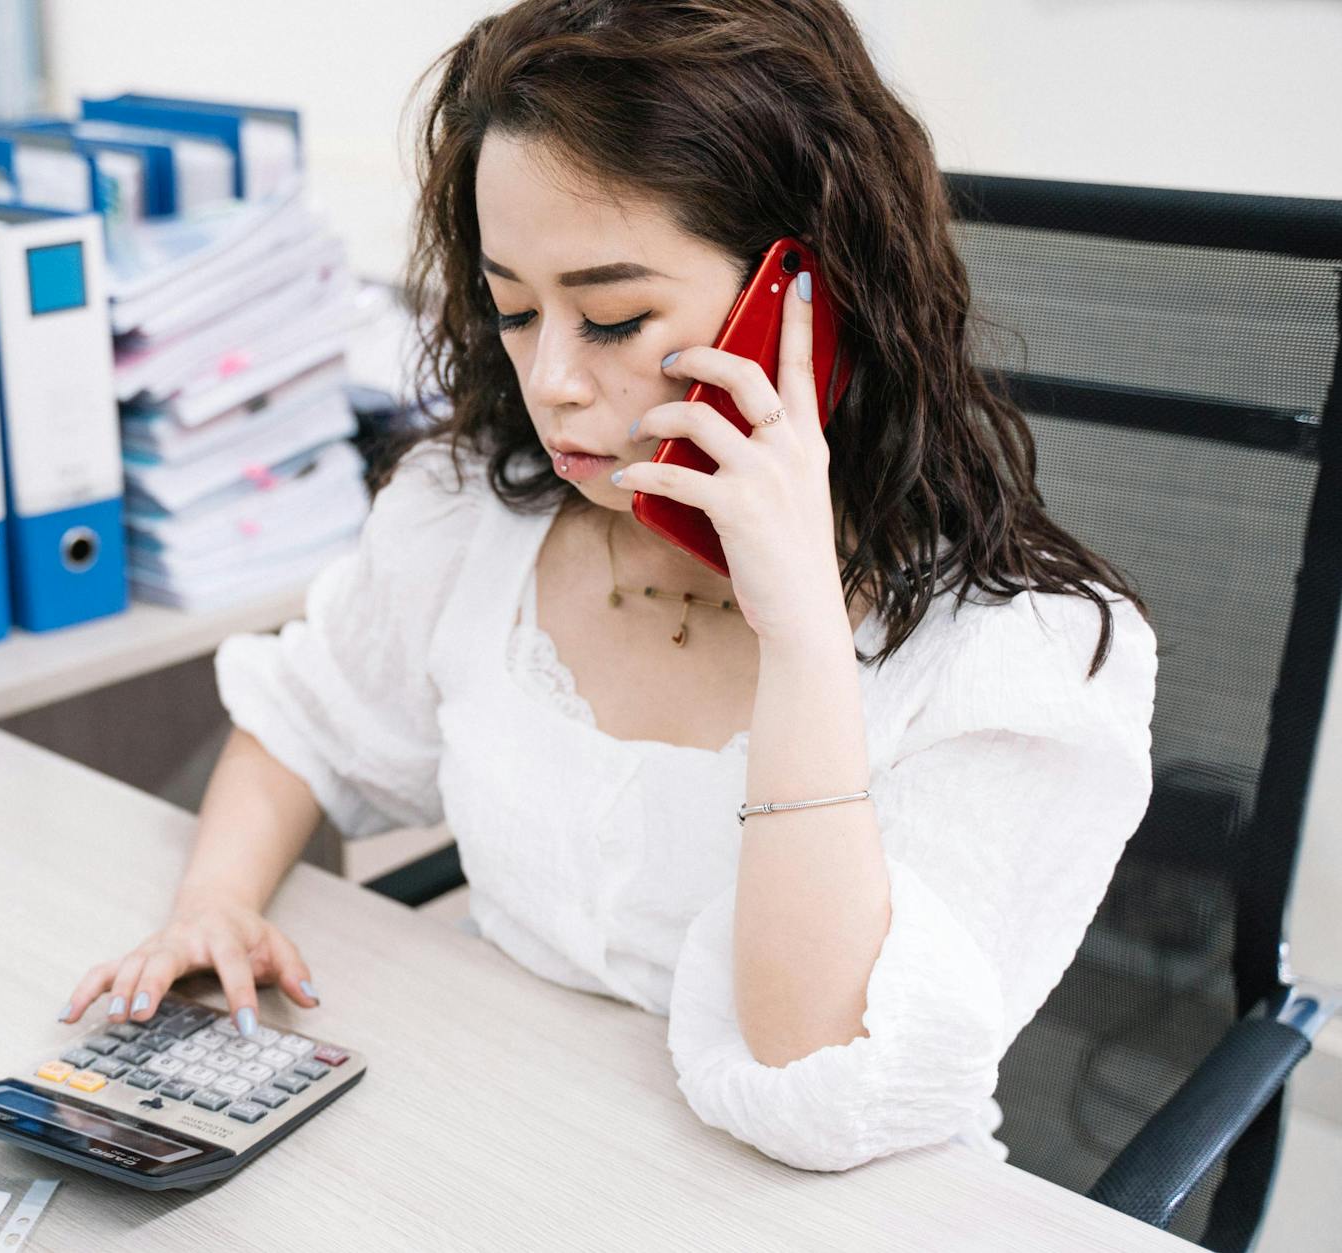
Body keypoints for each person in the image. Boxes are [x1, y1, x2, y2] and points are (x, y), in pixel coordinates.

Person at [59, 0, 1158, 1171]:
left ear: (803, 301)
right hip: (517, 1141)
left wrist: (799, 633)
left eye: (614, 318)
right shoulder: (471, 516)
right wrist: (214, 899)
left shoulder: (1018, 652)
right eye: (515, 308)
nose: (551, 381)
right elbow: (305, 720)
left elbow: (810, 1068)